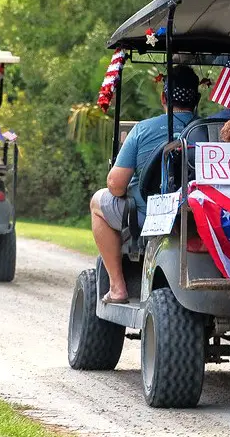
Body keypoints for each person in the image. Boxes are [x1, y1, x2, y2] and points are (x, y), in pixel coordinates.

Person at [90, 65, 201, 304]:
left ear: (164, 97)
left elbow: (116, 186)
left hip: (149, 217)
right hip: (199, 216)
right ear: (198, 99)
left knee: (98, 201)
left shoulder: (143, 130)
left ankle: (118, 287)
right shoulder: (211, 131)